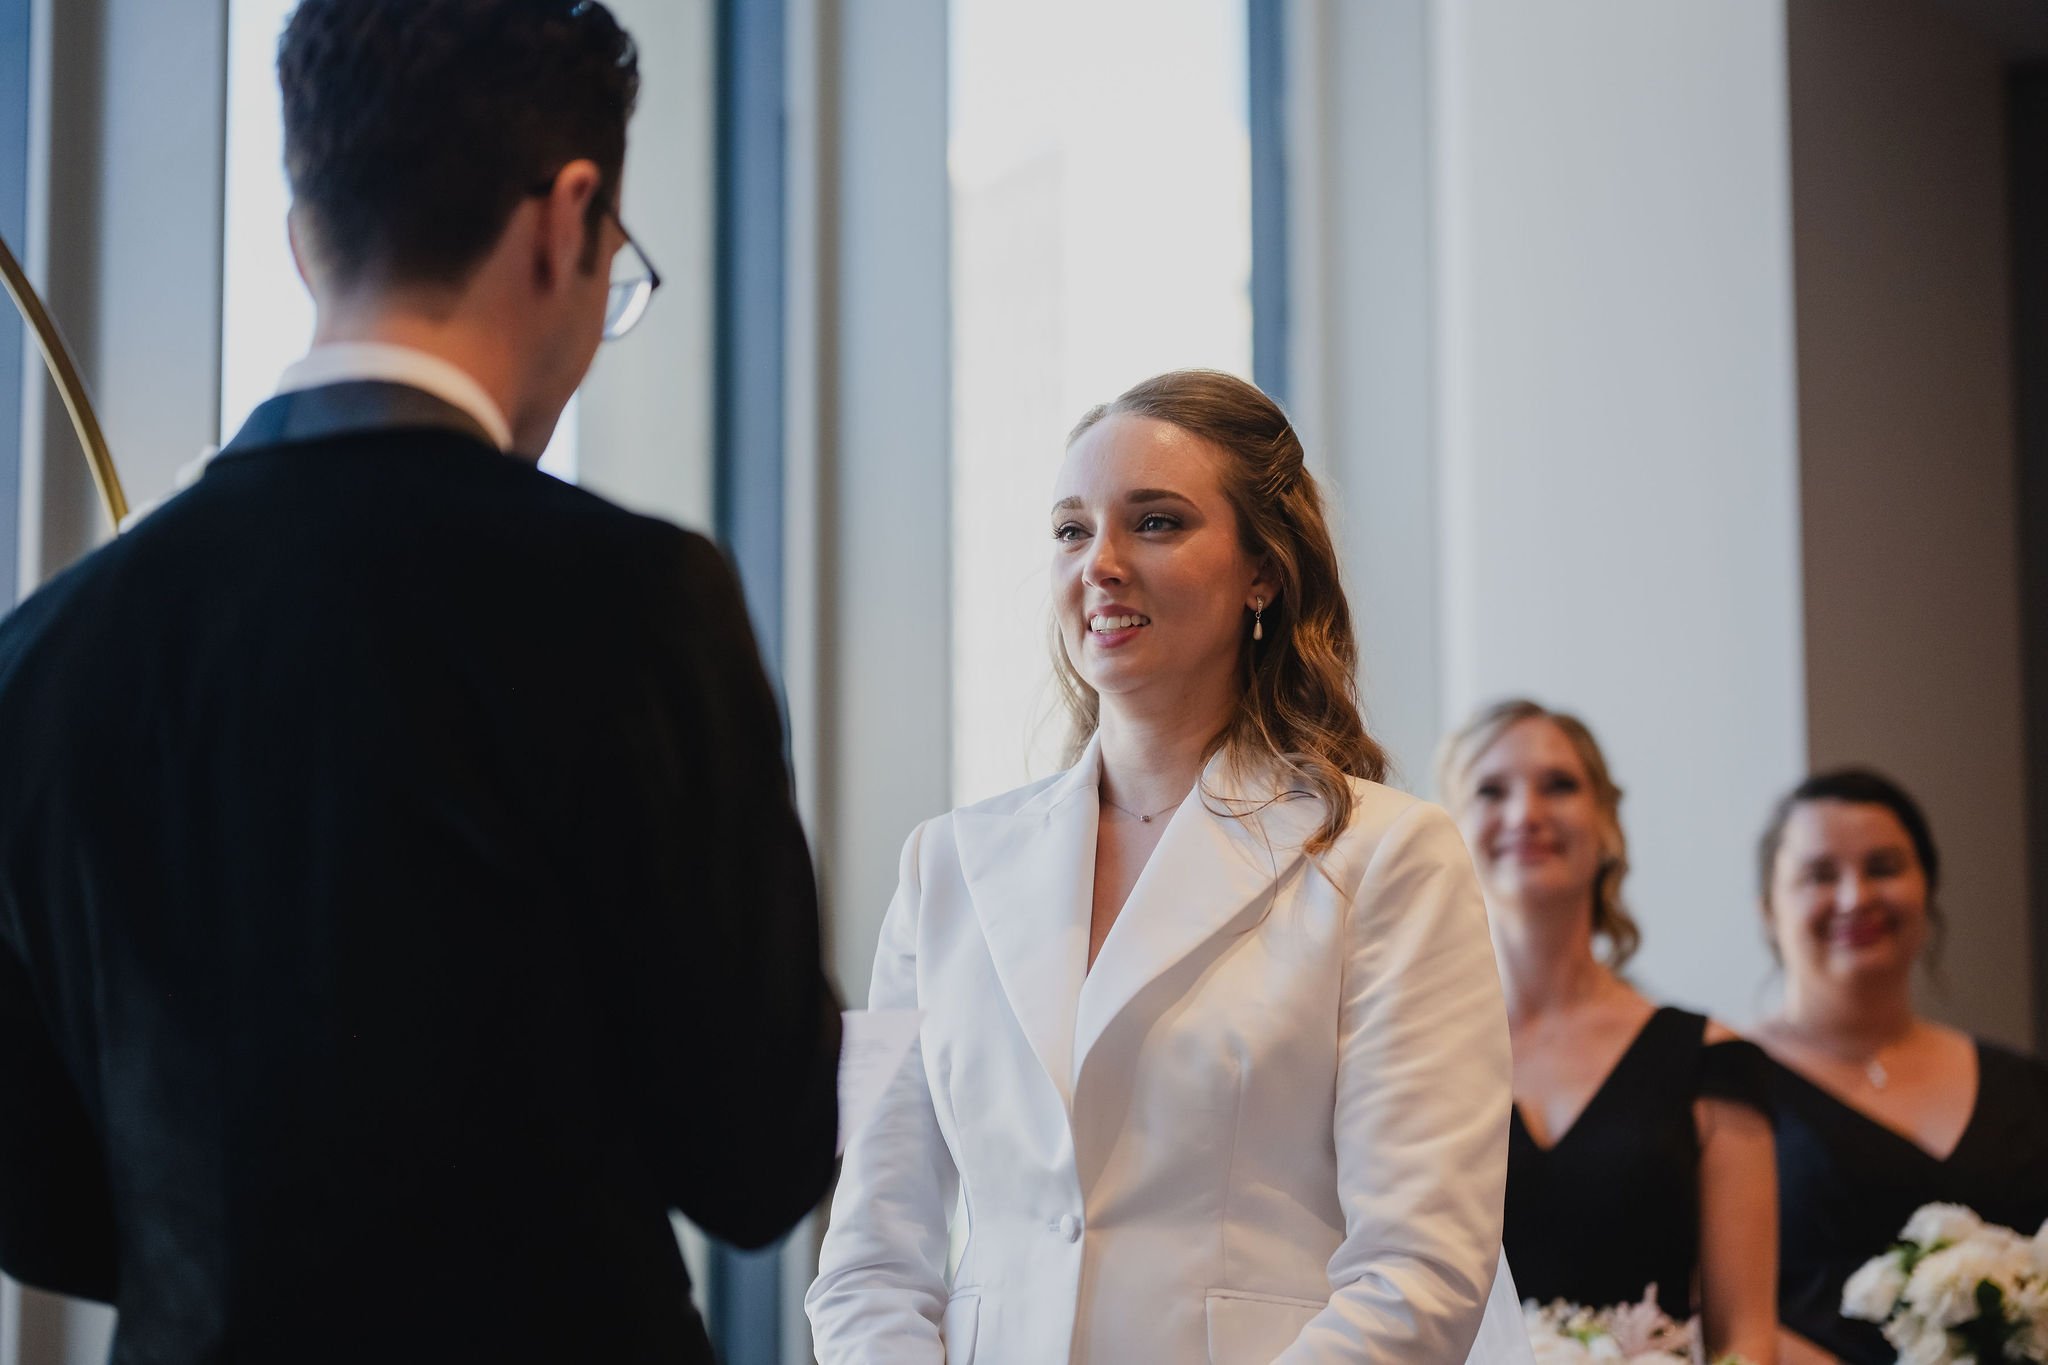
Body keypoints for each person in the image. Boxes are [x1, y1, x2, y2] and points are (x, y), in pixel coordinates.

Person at [0, 2, 839, 1360]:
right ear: (570, 218)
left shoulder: (47, 651)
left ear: (303, 233)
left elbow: (29, 1184)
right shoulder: (633, 602)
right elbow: (757, 1155)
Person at [807, 369, 1533, 1364]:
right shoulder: (942, 869)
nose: (1098, 564)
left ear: (1262, 573)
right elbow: (867, 1260)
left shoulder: (1388, 858)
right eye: (1070, 530)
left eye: (1153, 523)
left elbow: (1422, 1266)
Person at [1436, 701, 1777, 1363]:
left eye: (1559, 785)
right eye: (1491, 790)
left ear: (1608, 825)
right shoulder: (1413, 1055)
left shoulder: (1712, 1060)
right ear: (1449, 830)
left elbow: (1747, 1339)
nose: (1526, 812)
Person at [1752, 769, 2048, 1365]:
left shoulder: (2023, 1088)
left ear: (1927, 887)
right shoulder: (1724, 1084)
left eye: (1883, 868)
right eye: (1819, 875)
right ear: (1768, 909)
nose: (1855, 896)